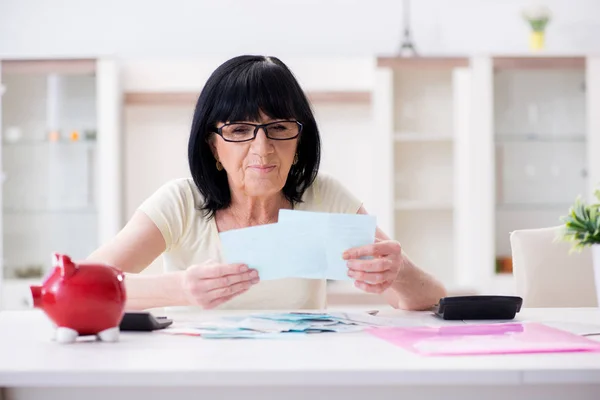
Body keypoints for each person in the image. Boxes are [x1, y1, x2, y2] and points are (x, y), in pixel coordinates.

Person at [87, 55, 447, 311]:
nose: (263, 149)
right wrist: (180, 288)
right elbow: (83, 284)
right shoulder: (180, 202)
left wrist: (398, 272)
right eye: (240, 130)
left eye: (278, 129)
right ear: (212, 146)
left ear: (299, 140)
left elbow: (428, 299)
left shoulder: (325, 196)